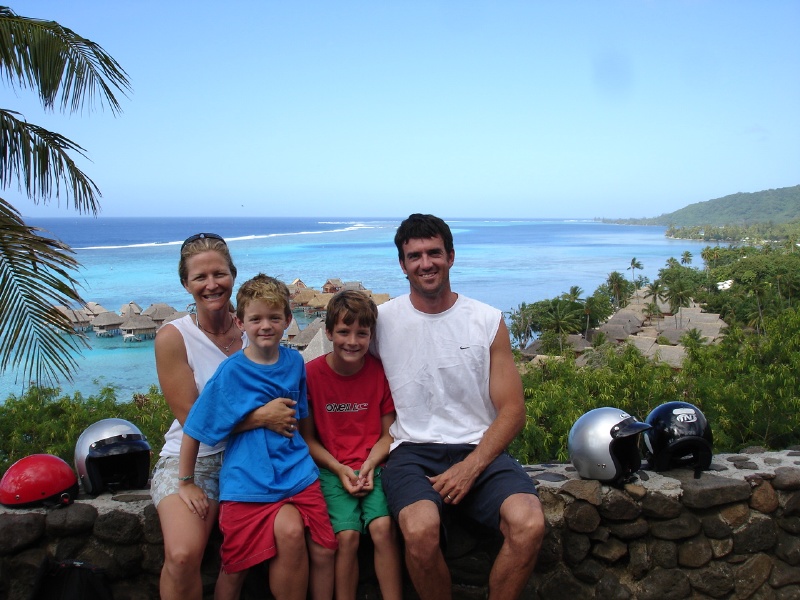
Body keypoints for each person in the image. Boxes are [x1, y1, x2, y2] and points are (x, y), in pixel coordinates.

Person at [371, 214, 546, 600]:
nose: (425, 263)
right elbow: (336, 369)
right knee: (418, 530)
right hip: (411, 450)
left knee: (529, 523)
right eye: (414, 256)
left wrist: (472, 466)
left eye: (434, 252)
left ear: (451, 256)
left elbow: (513, 409)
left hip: (477, 448)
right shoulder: (382, 321)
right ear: (402, 265)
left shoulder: (486, 320)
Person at [151, 233, 298, 600]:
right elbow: (191, 417)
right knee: (184, 554)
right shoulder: (174, 337)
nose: (211, 284)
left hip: (252, 458)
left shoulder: (257, 327)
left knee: (290, 535)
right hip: (195, 458)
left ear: (233, 275)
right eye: (199, 277)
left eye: (219, 273)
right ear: (186, 284)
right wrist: (261, 417)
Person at [177, 274, 336, 600]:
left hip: (296, 473)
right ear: (241, 322)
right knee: (235, 567)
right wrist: (185, 481)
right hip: (248, 479)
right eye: (256, 319)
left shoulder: (294, 362)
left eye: (274, 318)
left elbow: (302, 418)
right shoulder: (231, 372)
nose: (266, 326)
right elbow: (194, 427)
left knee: (324, 548)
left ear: (287, 320)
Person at [301, 291, 403, 600]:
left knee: (383, 529)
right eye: (344, 332)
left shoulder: (378, 373)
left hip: (376, 465)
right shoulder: (311, 376)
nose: (352, 341)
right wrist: (339, 468)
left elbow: (388, 434)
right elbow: (308, 438)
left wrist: (370, 465)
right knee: (346, 537)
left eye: (362, 333)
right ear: (329, 332)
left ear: (371, 336)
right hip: (332, 469)